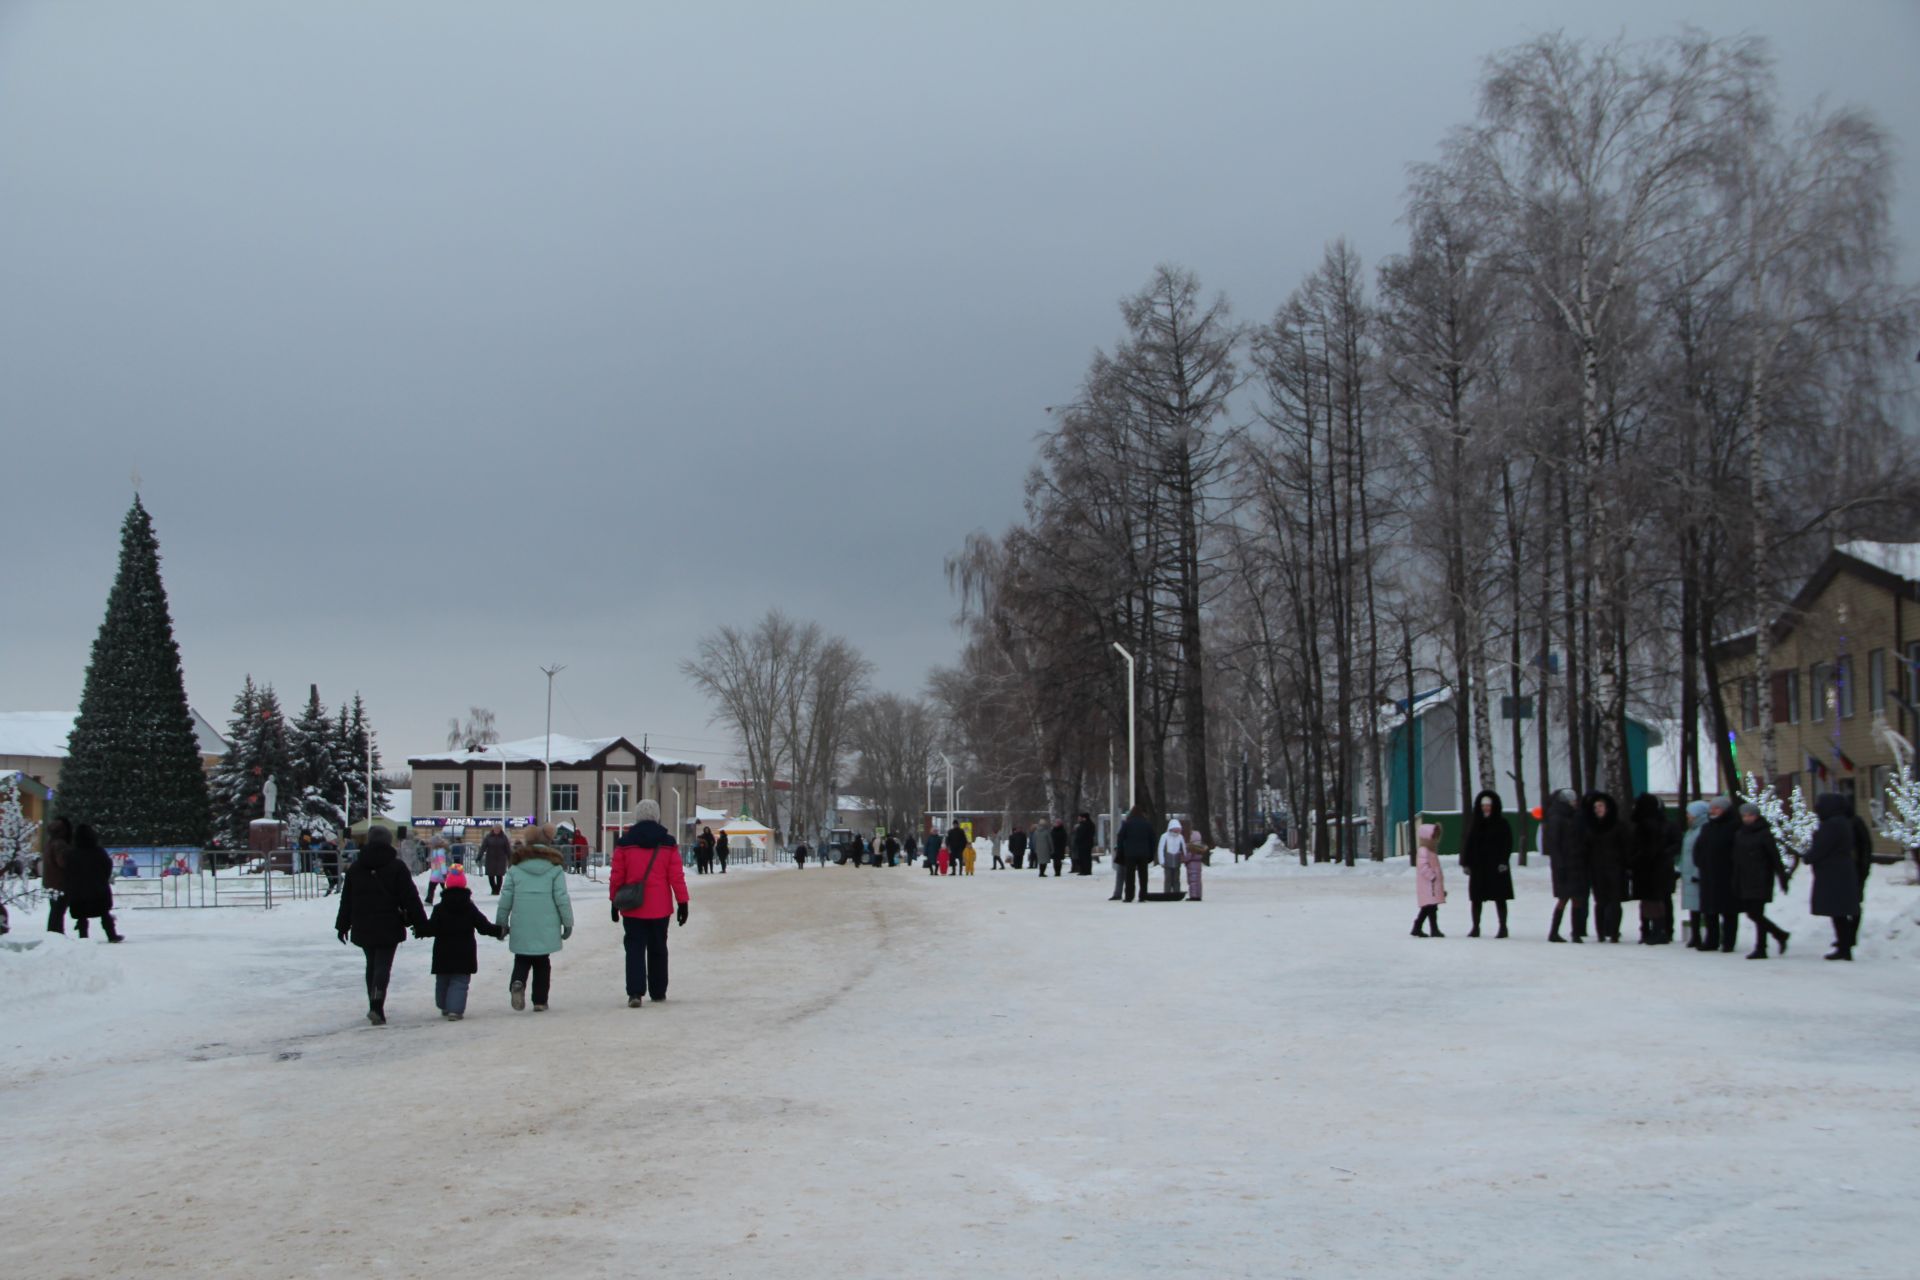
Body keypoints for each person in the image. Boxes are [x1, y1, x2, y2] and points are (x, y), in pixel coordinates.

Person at [334, 826, 425, 1025]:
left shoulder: (356, 868)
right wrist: (421, 923)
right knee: (383, 965)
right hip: (389, 923)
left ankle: (373, 1003)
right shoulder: (397, 867)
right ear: (387, 841)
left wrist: (342, 926)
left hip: (363, 924)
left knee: (371, 965)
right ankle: (377, 1004)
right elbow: (410, 898)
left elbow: (346, 900)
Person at [609, 800, 691, 1007]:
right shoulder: (668, 843)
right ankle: (658, 990)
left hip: (633, 906)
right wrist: (683, 902)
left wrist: (614, 901)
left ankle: (635, 993)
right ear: (657, 816)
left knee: (634, 949)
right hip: (660, 907)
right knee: (658, 948)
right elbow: (676, 876)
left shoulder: (625, 843)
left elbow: (617, 876)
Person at [496, 842, 574, 1012]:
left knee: (522, 959)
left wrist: (501, 922)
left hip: (521, 922)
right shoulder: (554, 870)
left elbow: (506, 897)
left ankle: (517, 982)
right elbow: (561, 897)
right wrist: (567, 922)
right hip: (546, 924)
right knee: (542, 963)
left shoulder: (515, 869)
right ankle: (539, 1000)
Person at [418, 865, 503, 1021]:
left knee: (442, 980)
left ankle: (443, 1004)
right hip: (464, 951)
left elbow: (431, 928)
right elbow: (483, 927)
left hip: (442, 952)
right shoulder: (469, 908)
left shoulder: (439, 909)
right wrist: (499, 931)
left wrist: (420, 930)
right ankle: (455, 1010)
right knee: (459, 981)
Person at [1807, 792, 1863, 960]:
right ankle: (1844, 946)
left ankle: (1844, 948)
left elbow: (1821, 848)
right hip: (1840, 872)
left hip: (1833, 874)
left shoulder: (1832, 825)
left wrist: (1808, 856)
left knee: (1838, 912)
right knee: (1840, 912)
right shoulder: (1843, 822)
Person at [1732, 802, 1790, 959]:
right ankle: (1778, 935)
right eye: (1744, 815)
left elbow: (1774, 857)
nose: (1747, 818)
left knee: (1756, 913)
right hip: (1745, 877)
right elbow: (1737, 858)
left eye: (1750, 815)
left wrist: (1782, 877)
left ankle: (1763, 945)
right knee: (1753, 913)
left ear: (1756, 816)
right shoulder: (1740, 833)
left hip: (1760, 877)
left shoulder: (1764, 833)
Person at [1460, 790, 1514, 939]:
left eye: (1488, 805)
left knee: (1500, 898)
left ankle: (1503, 927)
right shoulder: (1475, 823)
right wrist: (1466, 863)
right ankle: (1475, 927)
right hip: (1479, 868)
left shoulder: (1502, 823)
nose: (1486, 808)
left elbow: (1507, 844)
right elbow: (1469, 844)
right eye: (1483, 805)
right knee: (1476, 899)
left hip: (1496, 867)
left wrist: (1504, 861)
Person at [1583, 792, 1631, 944]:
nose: (1598, 809)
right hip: (1596, 870)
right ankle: (1601, 932)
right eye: (1595, 806)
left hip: (1615, 869)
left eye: (1601, 806)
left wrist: (1627, 866)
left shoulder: (1618, 826)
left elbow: (1626, 847)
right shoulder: (1590, 827)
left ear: (1608, 807)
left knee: (1615, 901)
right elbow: (1586, 849)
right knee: (1600, 902)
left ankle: (1614, 932)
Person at [1693, 796, 1740, 952]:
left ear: (1725, 810)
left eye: (1717, 808)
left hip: (1727, 875)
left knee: (1728, 911)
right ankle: (1711, 940)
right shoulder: (1707, 827)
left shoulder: (1734, 827)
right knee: (1709, 910)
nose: (1713, 811)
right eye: (1711, 808)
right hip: (1708, 875)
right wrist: (1700, 863)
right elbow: (1698, 848)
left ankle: (1728, 942)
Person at [1629, 794, 1676, 945]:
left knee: (1654, 900)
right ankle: (1653, 930)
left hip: (1651, 868)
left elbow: (1647, 848)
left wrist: (1636, 859)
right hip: (1651, 867)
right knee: (1651, 900)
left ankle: (1658, 930)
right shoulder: (1648, 823)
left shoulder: (1648, 825)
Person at [64, 823, 123, 943]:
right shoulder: (98, 851)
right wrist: (102, 879)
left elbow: (68, 870)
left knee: (81, 915)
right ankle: (111, 935)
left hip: (78, 890)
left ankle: (83, 937)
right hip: (98, 888)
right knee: (104, 913)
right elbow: (108, 865)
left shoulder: (72, 853)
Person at [1543, 790, 1588, 943]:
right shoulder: (1557, 818)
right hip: (1565, 865)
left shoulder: (1572, 817)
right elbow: (1554, 845)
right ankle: (1554, 931)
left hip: (1575, 864)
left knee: (1576, 899)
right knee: (1564, 898)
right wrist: (1560, 865)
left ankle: (1575, 932)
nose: (1575, 803)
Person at [1677, 800, 1709, 947]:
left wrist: (1697, 871)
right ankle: (1695, 935)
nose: (1688, 816)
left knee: (1702, 905)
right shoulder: (1692, 831)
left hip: (1697, 874)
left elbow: (1703, 854)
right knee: (1693, 906)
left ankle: (1705, 936)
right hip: (1688, 873)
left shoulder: (1703, 830)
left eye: (1690, 813)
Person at [1412, 822, 1446, 937]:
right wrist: (1432, 876)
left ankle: (1424, 927)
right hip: (1428, 885)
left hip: (1432, 885)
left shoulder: (1430, 851)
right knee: (1429, 908)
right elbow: (1422, 866)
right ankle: (1425, 928)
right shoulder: (1423, 850)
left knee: (1430, 908)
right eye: (1433, 836)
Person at [1114, 806, 1155, 902]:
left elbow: (1120, 838)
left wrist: (1121, 851)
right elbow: (1152, 839)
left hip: (1130, 854)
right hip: (1144, 853)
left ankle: (1129, 896)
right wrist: (1151, 853)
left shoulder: (1127, 824)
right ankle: (1143, 896)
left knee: (1130, 876)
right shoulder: (1147, 824)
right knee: (1143, 876)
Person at [41, 815, 71, 935]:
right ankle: (56, 934)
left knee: (55, 910)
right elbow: (63, 862)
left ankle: (53, 933)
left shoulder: (49, 843)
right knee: (58, 911)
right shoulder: (60, 844)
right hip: (60, 883)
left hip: (50, 882)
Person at [1157, 818, 1187, 897]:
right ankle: (1167, 894)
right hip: (1167, 861)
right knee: (1168, 879)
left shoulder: (1180, 837)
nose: (1177, 830)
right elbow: (1160, 849)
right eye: (1176, 829)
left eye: (1178, 829)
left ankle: (1176, 893)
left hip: (1177, 861)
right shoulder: (1164, 836)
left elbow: (1184, 848)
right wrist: (1162, 861)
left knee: (1176, 879)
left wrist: (1186, 858)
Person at [481, 824, 512, 896]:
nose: (497, 830)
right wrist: (479, 856)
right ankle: (493, 888)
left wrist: (510, 857)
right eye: (495, 829)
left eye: (498, 829)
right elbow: (483, 847)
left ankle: (497, 890)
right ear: (493, 829)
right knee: (490, 875)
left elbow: (507, 849)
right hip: (490, 859)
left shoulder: (504, 838)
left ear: (500, 829)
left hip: (501, 859)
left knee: (499, 875)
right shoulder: (488, 837)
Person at [1183, 824, 1206, 902]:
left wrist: (1183, 860)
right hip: (1198, 866)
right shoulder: (1200, 848)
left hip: (1191, 866)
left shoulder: (1191, 848)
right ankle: (1198, 895)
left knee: (1192, 882)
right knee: (1198, 881)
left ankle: (1193, 896)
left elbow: (1187, 857)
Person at [425, 839, 449, 905]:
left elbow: (440, 863)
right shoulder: (439, 851)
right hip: (439, 873)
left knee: (432, 887)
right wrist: (444, 873)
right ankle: (449, 899)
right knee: (445, 888)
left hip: (436, 872)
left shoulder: (436, 852)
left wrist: (443, 873)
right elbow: (441, 863)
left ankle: (429, 900)